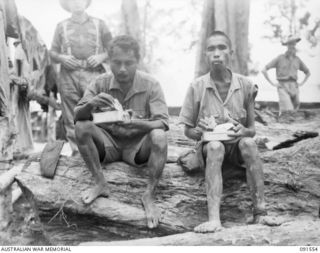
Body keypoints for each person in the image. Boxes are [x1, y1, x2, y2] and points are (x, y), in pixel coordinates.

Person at [74, 35, 169, 229]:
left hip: (137, 148)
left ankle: (149, 195)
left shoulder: (151, 84)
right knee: (81, 126)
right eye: (117, 63)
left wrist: (137, 124)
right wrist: (91, 104)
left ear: (137, 62)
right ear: (109, 62)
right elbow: (77, 115)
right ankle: (100, 183)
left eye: (129, 63)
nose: (122, 69)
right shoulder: (100, 83)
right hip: (108, 144)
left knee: (159, 136)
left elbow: (163, 123)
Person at [179, 31, 268, 233]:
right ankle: (214, 220)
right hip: (209, 149)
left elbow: (251, 130)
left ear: (231, 53)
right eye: (211, 49)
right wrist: (199, 131)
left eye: (222, 48)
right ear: (205, 55)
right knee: (215, 145)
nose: (216, 53)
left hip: (237, 149)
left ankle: (261, 213)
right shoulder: (197, 86)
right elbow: (187, 131)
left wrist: (242, 130)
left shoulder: (246, 85)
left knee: (249, 143)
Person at [50, 0, 112, 156]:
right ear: (68, 5)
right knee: (71, 114)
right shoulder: (61, 26)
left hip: (94, 74)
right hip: (68, 75)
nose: (77, 3)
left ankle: (101, 150)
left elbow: (113, 47)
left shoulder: (100, 24)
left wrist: (101, 56)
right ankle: (78, 152)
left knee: (98, 109)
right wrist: (62, 58)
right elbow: (52, 52)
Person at [262, 35, 310, 114]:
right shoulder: (280, 58)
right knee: (287, 110)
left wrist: (301, 83)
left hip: (294, 87)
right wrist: (273, 83)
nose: (292, 46)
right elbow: (264, 70)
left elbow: (308, 72)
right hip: (283, 86)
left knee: (295, 109)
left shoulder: (297, 59)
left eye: (294, 44)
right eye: (290, 44)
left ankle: (285, 121)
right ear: (287, 45)